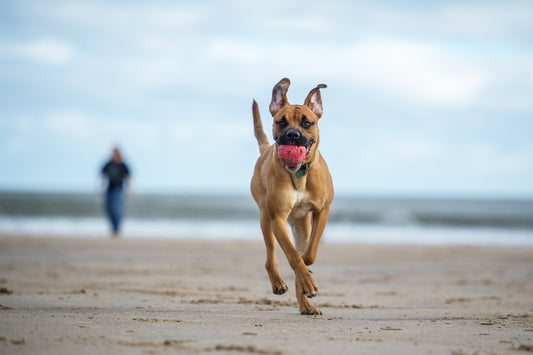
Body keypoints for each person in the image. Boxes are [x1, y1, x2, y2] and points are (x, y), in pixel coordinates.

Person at [101, 147, 131, 236]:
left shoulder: (123, 165)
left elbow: (128, 177)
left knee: (117, 209)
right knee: (109, 209)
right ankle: (113, 228)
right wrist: (100, 187)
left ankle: (117, 229)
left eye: (114, 153)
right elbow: (102, 175)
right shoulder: (108, 164)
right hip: (109, 189)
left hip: (119, 189)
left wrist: (130, 190)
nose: (113, 155)